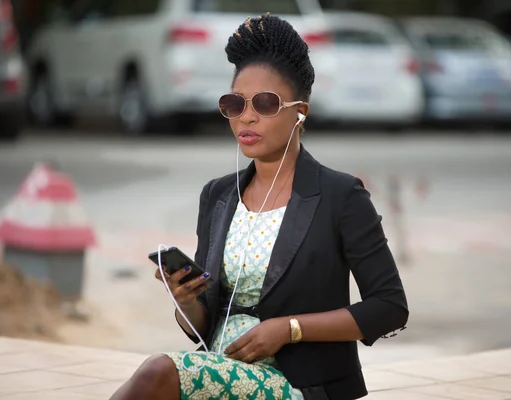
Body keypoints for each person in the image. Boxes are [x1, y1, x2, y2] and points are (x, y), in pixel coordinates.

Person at [109, 13, 408, 400]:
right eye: (235, 103)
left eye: (265, 103)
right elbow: (205, 323)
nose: (246, 116)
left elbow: (389, 307)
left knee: (157, 372)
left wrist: (289, 328)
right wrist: (185, 302)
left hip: (299, 384)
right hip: (221, 369)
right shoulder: (217, 196)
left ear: (300, 111)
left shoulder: (341, 196)